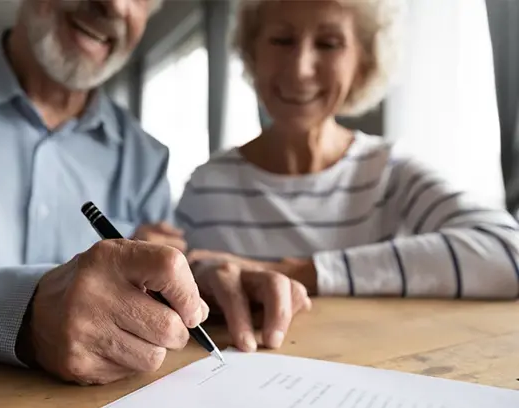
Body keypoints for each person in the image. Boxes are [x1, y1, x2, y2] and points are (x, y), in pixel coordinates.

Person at [0, 0, 312, 386]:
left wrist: (200, 286)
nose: (113, 3)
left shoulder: (145, 156)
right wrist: (23, 310)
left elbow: (153, 285)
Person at [178, 0, 519, 327]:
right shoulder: (206, 185)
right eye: (282, 40)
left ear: (363, 63)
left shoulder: (390, 171)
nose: (300, 69)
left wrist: (301, 272)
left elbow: (509, 252)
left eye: (328, 44)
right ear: (253, 51)